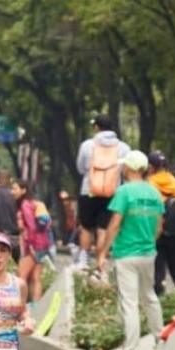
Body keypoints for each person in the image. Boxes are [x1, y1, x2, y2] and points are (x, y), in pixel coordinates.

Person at [96, 150, 165, 350]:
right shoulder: (155, 193)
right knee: (150, 297)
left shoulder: (124, 192)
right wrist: (148, 243)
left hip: (126, 253)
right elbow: (159, 226)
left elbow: (115, 223)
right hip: (148, 253)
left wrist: (103, 252)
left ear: (130, 169)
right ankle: (160, 340)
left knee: (129, 303)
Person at [75, 115, 130, 270]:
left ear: (96, 127)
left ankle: (84, 260)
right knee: (103, 228)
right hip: (112, 193)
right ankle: (101, 259)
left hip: (89, 190)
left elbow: (81, 168)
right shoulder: (124, 148)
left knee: (86, 226)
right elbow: (125, 171)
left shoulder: (87, 145)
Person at [147, 151, 175, 295]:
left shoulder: (149, 184)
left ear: (150, 167)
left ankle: (158, 299)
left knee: (157, 270)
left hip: (155, 232)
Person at [11, 180, 52, 307]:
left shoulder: (25, 205)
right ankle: (36, 306)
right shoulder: (33, 203)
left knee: (21, 276)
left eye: (15, 188)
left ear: (23, 190)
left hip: (33, 245)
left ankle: (20, 307)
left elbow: (32, 226)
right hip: (43, 244)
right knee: (35, 277)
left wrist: (30, 245)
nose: (12, 192)